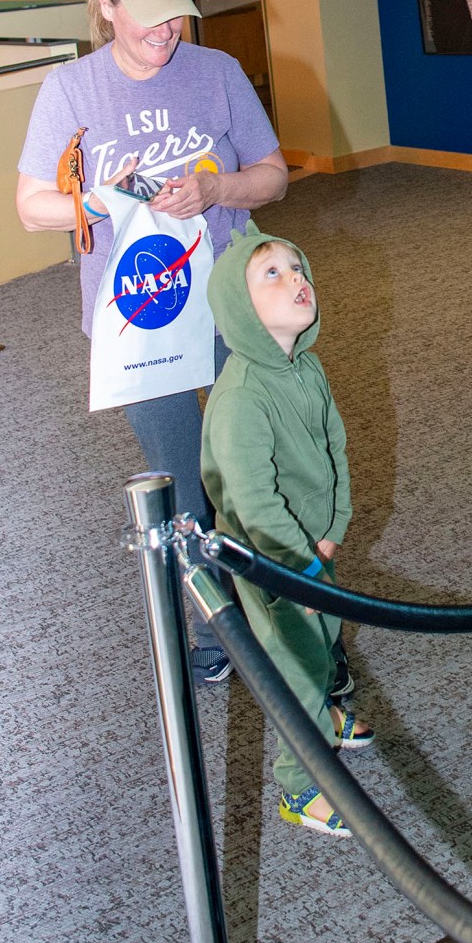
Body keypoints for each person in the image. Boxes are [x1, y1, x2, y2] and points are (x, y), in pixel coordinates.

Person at [16, 0, 288, 679]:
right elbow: (33, 207)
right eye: (147, 16)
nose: (167, 30)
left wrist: (214, 190)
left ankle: (281, 611)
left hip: (229, 297)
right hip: (140, 317)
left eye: (175, 14)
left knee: (248, 466)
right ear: (106, 8)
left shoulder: (218, 72)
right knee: (184, 480)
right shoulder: (71, 89)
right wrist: (100, 197)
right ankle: (213, 632)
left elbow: (272, 176)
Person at [201, 227, 372, 836]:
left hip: (312, 546)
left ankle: (328, 711)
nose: (297, 279)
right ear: (239, 310)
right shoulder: (241, 399)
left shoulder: (308, 366)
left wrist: (335, 525)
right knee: (294, 665)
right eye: (271, 273)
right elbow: (251, 504)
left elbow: (335, 448)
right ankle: (299, 788)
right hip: (271, 561)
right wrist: (302, 565)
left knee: (323, 637)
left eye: (298, 267)